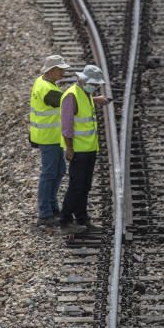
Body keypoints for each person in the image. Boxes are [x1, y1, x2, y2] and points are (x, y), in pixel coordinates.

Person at [58, 64, 110, 235]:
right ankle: (65, 221)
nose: (94, 87)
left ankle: (82, 219)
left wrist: (96, 99)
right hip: (78, 150)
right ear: (83, 79)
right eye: (93, 84)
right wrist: (69, 148)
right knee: (76, 186)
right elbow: (66, 126)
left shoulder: (85, 94)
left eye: (96, 85)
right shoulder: (71, 95)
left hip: (89, 149)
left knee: (85, 186)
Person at [29, 55, 71, 227]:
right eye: (60, 70)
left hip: (52, 137)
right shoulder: (47, 90)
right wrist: (92, 99)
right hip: (49, 138)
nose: (63, 72)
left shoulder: (43, 82)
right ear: (51, 70)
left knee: (58, 171)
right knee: (49, 174)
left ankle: (52, 208)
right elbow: (67, 104)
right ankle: (45, 213)